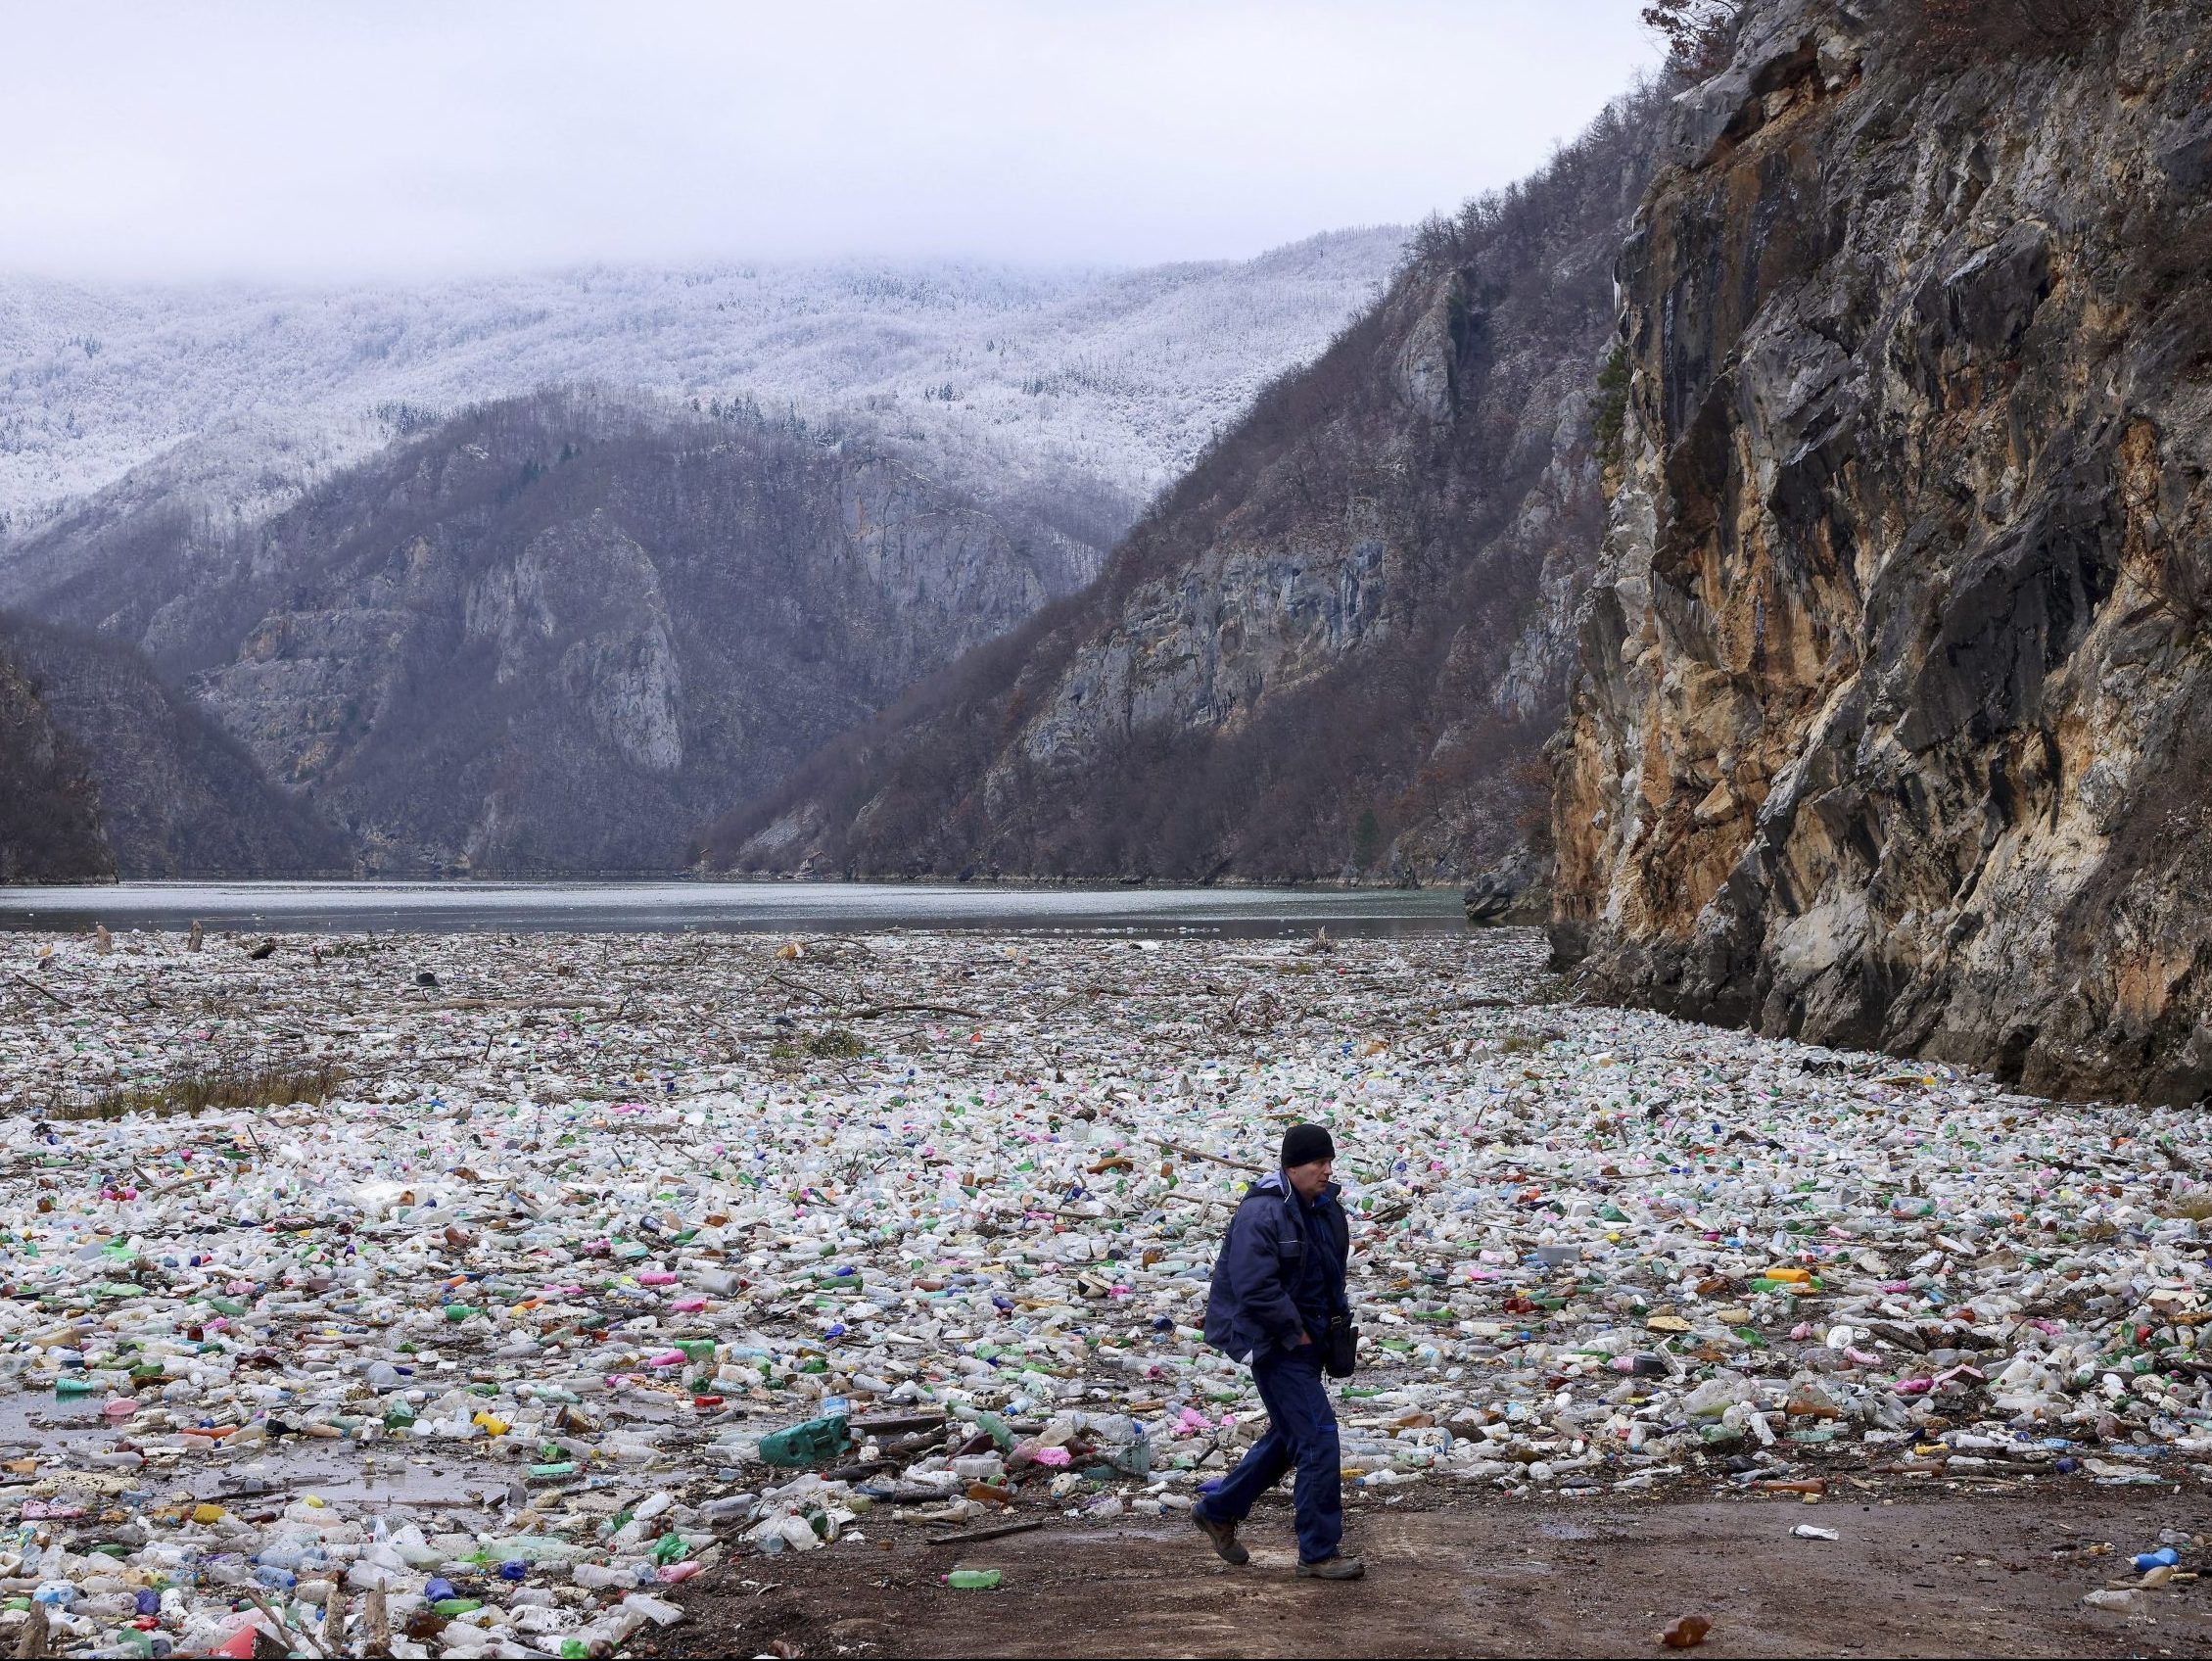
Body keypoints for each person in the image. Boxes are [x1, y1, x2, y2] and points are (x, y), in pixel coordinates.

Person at [1191, 1121, 1363, 1579]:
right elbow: (1254, 1288)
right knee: (1318, 1440)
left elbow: (1330, 1279)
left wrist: (1335, 1332)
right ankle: (1318, 1552)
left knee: (1290, 1440)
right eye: (1317, 1162)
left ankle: (1220, 1510)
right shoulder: (1262, 1214)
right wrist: (1296, 1334)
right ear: (1292, 1164)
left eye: (1329, 1161)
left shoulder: (1326, 1211)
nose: (1326, 1170)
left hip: (1307, 1341)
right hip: (1273, 1342)